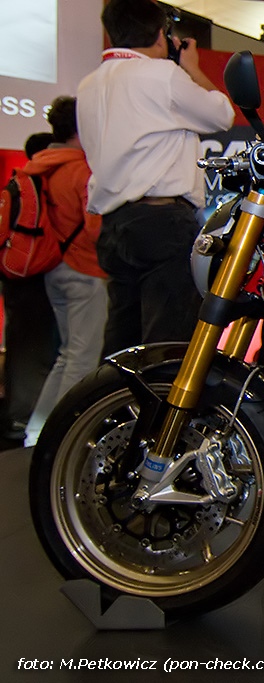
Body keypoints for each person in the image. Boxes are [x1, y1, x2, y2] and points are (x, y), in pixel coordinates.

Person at [77, 0, 234, 356]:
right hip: (163, 222)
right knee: (167, 343)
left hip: (114, 224)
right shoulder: (162, 75)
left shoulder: (89, 84)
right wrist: (191, 67)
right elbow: (221, 114)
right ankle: (160, 396)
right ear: (160, 35)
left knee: (121, 344)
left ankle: (116, 395)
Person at [21, 97, 107, 448]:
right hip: (85, 269)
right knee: (81, 360)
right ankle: (60, 438)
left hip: (52, 267)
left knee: (67, 356)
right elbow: (95, 229)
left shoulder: (39, 165)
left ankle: (37, 431)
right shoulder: (81, 170)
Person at [0, 133, 60, 446]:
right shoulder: (48, 183)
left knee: (20, 344)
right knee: (38, 349)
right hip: (41, 273)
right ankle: (27, 419)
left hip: (16, 273)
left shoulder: (19, 182)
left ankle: (16, 416)